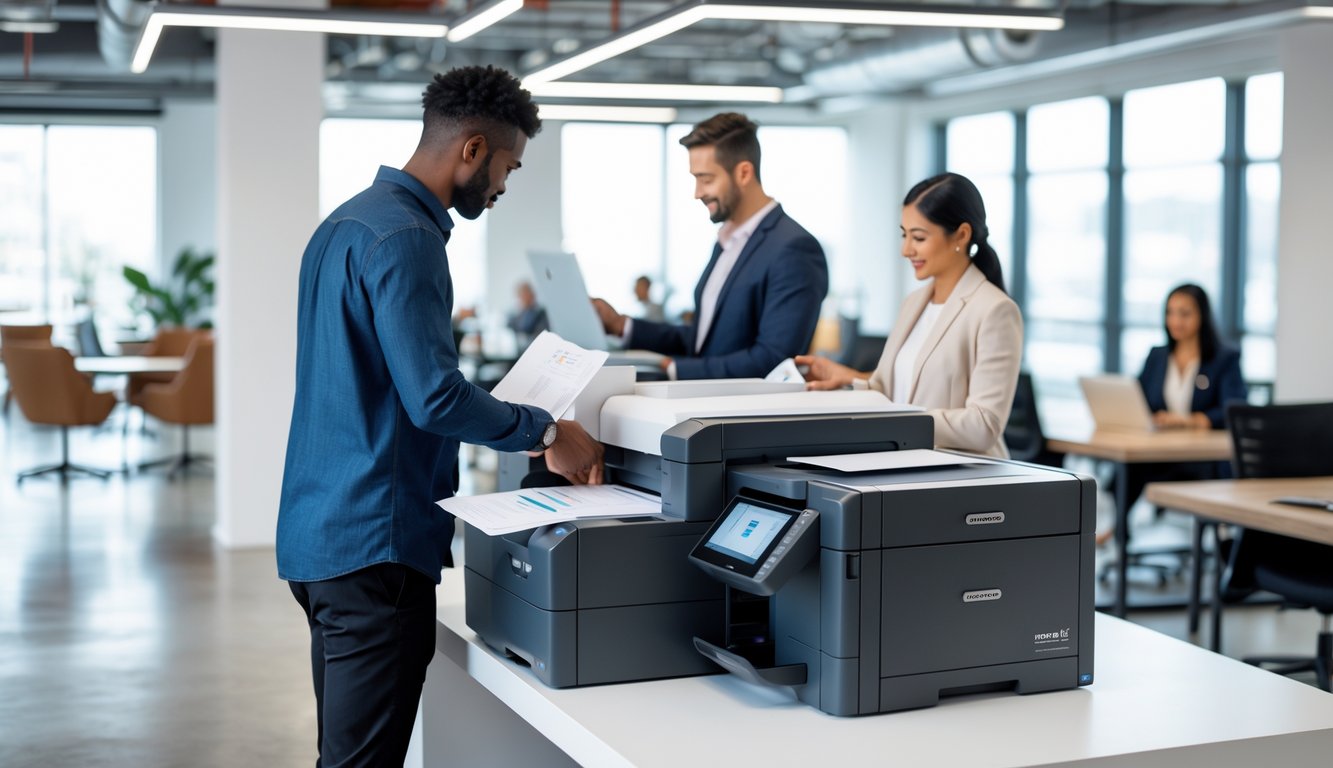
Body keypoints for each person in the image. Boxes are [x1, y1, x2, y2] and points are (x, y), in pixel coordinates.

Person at [276, 66, 603, 767]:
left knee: (342, 755)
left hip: (320, 534)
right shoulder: (408, 239)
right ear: (473, 149)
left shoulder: (346, 222)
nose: (505, 186)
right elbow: (435, 397)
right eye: (508, 166)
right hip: (377, 541)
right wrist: (547, 432)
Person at [796, 172, 1022, 458]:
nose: (906, 250)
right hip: (907, 464)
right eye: (905, 235)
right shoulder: (914, 303)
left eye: (919, 237)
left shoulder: (995, 310)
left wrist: (902, 421)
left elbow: (984, 424)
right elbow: (894, 392)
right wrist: (847, 382)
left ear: (962, 235)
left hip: (961, 476)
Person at [592, 112, 828, 379]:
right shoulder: (728, 241)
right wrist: (621, 325)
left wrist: (677, 369)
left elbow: (774, 359)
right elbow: (703, 340)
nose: (697, 193)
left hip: (742, 416)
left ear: (743, 173)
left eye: (706, 180)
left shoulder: (793, 249)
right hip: (707, 407)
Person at [1094, 283, 1246, 546]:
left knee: (1136, 469)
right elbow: (1139, 399)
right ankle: (1120, 533)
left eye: (1185, 313)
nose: (1176, 321)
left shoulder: (1224, 359)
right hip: (1161, 453)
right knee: (1128, 467)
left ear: (1202, 316)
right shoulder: (1158, 356)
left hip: (1203, 459)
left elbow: (1234, 407)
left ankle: (1223, 544)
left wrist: (1190, 421)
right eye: (1171, 312)